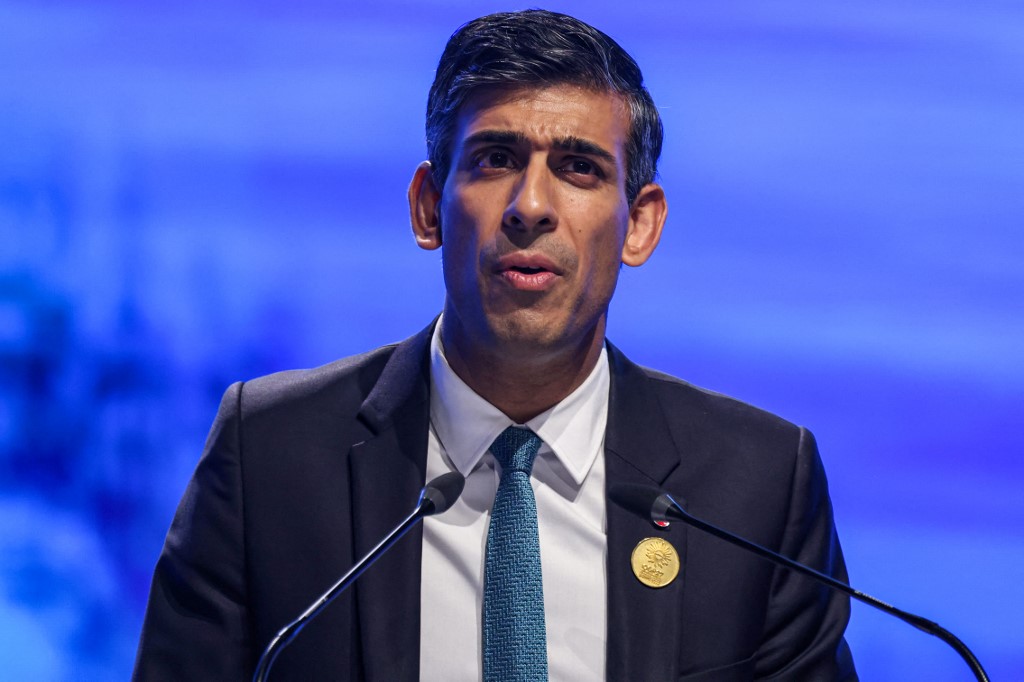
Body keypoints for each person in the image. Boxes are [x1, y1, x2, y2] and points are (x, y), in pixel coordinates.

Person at [134, 9, 856, 681]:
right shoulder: (271, 452)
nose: (530, 207)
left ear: (638, 225)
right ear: (428, 207)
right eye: (495, 159)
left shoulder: (756, 485)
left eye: (578, 168)